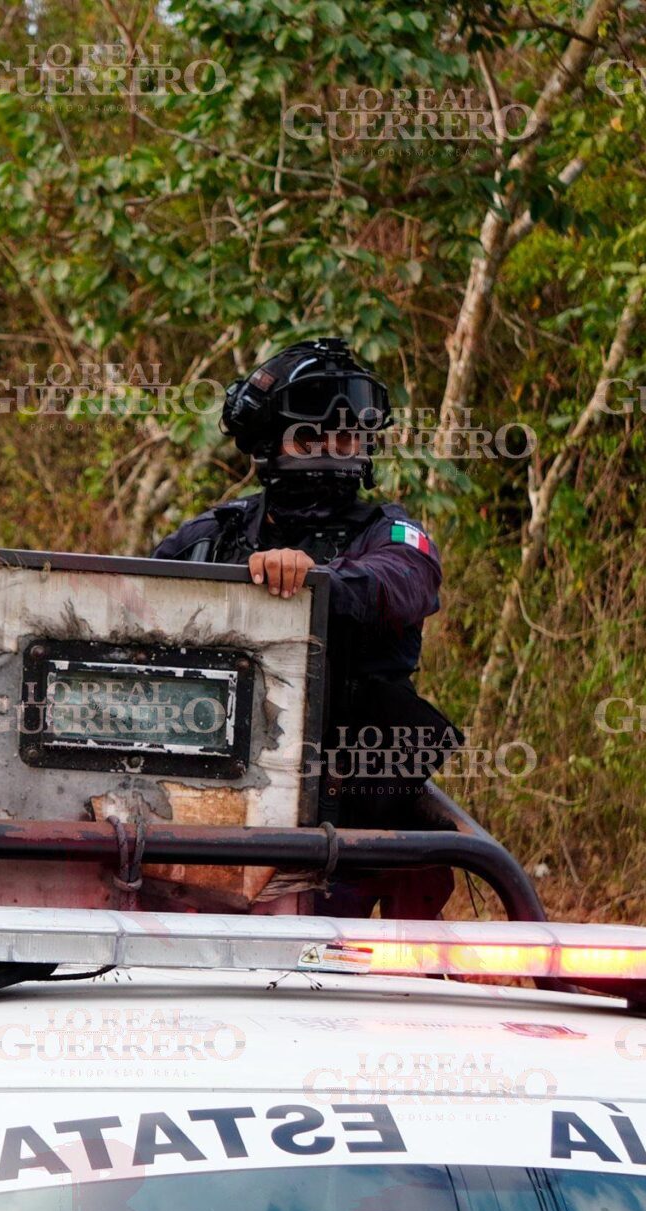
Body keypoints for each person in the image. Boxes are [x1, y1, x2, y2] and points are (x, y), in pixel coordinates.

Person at [153, 337, 459, 918]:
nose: (332, 452)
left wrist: (310, 580)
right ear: (270, 446)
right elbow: (126, 610)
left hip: (347, 825)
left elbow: (400, 584)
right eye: (311, 437)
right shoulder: (210, 536)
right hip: (207, 808)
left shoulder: (391, 534)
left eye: (347, 437)